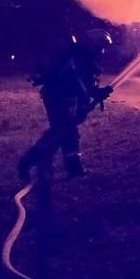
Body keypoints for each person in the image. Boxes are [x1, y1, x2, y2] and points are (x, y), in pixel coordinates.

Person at [18, 27, 115, 181]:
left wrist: (96, 93)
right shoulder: (78, 60)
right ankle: (27, 163)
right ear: (92, 44)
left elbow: (85, 86)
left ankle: (74, 170)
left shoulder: (83, 60)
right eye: (99, 47)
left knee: (68, 133)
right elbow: (81, 86)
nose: (102, 51)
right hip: (58, 97)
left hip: (61, 97)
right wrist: (96, 94)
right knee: (59, 133)